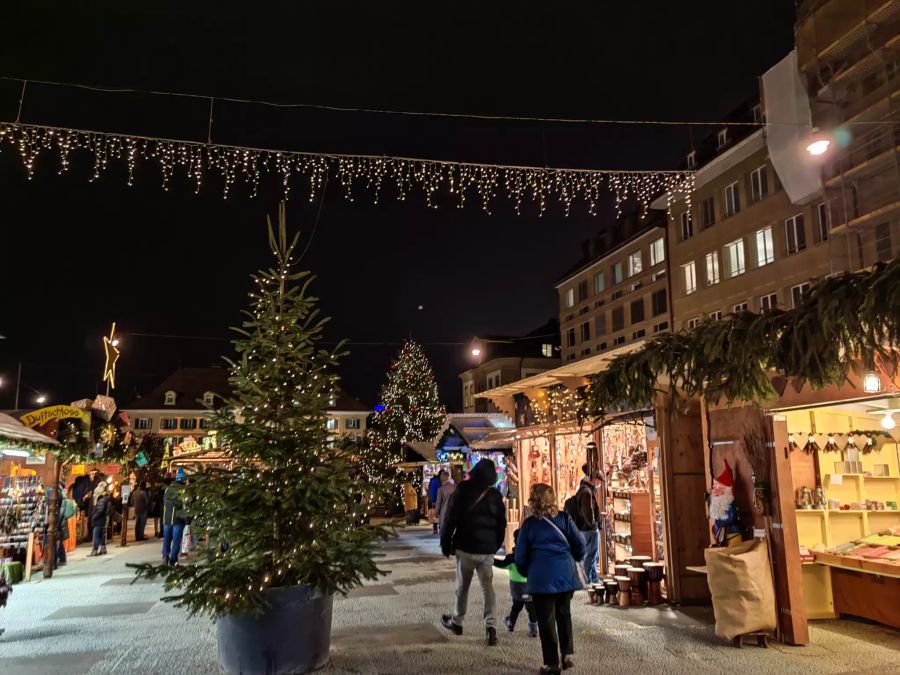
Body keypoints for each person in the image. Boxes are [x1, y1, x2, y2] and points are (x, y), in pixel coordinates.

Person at [515, 483, 585, 675]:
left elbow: (520, 556)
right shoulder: (564, 518)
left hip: (541, 578)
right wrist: (576, 558)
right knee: (564, 613)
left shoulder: (529, 525)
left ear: (534, 500)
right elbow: (579, 543)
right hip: (565, 574)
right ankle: (568, 654)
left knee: (546, 621)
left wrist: (525, 571)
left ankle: (552, 664)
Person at [439, 458, 506, 646]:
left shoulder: (462, 489)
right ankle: (491, 627)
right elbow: (502, 525)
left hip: (465, 547)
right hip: (486, 550)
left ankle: (457, 621)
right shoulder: (494, 495)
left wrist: (445, 543)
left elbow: (450, 518)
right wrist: (494, 545)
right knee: (488, 587)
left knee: (462, 587)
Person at [493, 529, 538, 638]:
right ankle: (533, 630)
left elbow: (500, 564)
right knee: (532, 609)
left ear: (515, 541)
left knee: (516, 607)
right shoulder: (534, 557)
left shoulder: (511, 558)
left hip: (517, 589)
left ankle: (511, 624)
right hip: (531, 588)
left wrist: (490, 559)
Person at [564, 464, 602, 584]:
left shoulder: (585, 489)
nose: (599, 484)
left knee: (591, 556)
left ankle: (593, 577)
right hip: (588, 530)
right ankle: (586, 580)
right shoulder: (586, 492)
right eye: (599, 480)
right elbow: (587, 512)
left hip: (585, 529)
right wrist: (594, 525)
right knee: (590, 555)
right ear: (594, 479)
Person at [162, 468, 187, 565]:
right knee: (176, 541)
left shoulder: (168, 489)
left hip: (167, 518)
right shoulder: (183, 490)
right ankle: (173, 559)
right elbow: (183, 504)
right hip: (178, 519)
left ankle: (165, 556)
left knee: (167, 539)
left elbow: (165, 503)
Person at [89, 481, 110, 556]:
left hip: (98, 520)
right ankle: (103, 548)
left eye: (96, 493)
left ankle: (95, 550)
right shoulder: (102, 500)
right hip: (100, 520)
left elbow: (100, 511)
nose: (94, 495)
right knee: (100, 535)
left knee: (96, 535)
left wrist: (94, 517)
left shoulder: (101, 500)